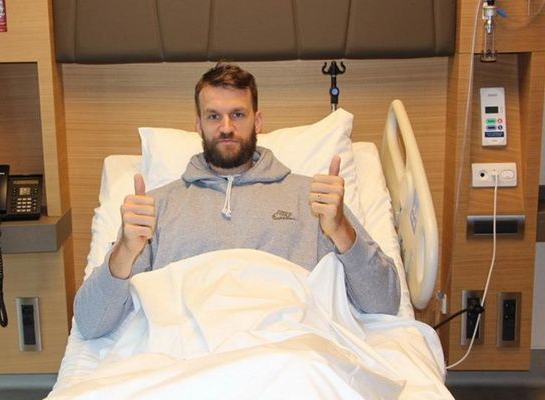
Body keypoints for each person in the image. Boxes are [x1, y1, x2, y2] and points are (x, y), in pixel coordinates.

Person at [74, 63, 400, 340]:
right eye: (214, 116)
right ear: (198, 125)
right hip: (187, 359)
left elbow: (384, 303)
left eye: (238, 114)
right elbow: (91, 324)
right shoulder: (156, 208)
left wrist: (341, 230)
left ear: (257, 121)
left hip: (290, 353)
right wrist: (125, 250)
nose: (226, 127)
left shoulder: (315, 200)